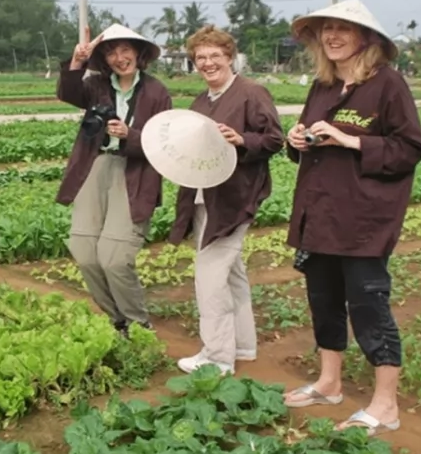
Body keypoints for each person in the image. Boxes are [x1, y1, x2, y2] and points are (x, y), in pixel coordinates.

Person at [283, 0, 421, 436]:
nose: (333, 36)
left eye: (343, 29)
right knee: (324, 301)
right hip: (319, 215)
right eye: (326, 29)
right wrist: (297, 141)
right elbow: (307, 146)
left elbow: (410, 148)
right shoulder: (322, 87)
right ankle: (330, 382)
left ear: (366, 38)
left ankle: (386, 405)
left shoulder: (388, 85)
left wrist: (351, 142)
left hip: (363, 220)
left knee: (368, 306)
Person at [166, 26, 284, 374]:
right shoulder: (201, 102)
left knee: (210, 277)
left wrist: (242, 140)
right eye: (200, 57)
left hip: (235, 199)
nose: (207, 63)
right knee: (232, 275)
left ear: (230, 57)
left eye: (215, 55)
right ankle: (243, 346)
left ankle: (218, 358)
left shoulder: (251, 93)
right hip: (204, 198)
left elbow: (274, 139)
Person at [56, 24, 172, 336]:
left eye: (125, 50)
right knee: (85, 252)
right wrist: (77, 62)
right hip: (94, 168)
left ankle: (138, 324)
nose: (119, 58)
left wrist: (129, 136)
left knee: (115, 259)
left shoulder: (157, 92)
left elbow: (164, 143)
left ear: (139, 53)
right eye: (111, 52)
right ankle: (117, 320)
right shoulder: (96, 85)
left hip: (133, 173)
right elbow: (67, 93)